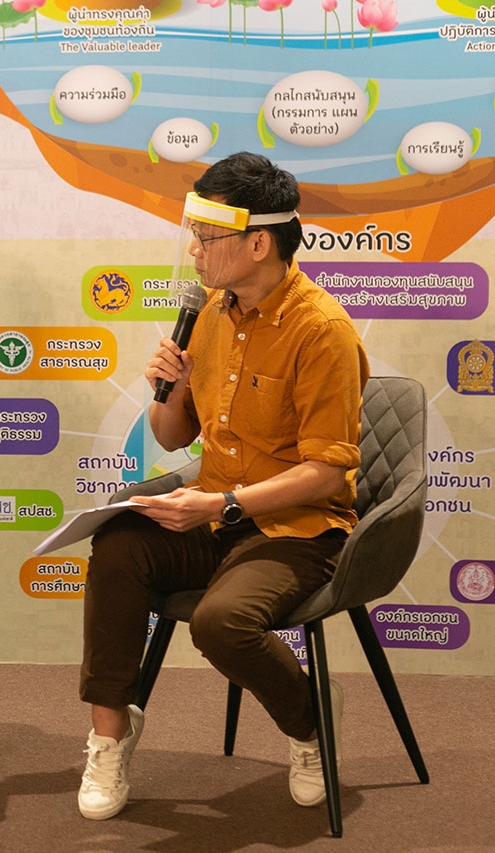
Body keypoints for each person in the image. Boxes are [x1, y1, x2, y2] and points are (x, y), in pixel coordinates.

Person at [76, 152, 369, 819]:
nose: (194, 250)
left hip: (296, 529)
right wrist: (170, 389)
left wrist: (226, 503)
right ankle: (109, 736)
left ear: (258, 243)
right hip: (215, 516)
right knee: (119, 547)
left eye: (206, 237)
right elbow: (173, 436)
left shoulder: (321, 330)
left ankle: (310, 718)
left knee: (220, 623)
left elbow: (327, 470)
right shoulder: (210, 312)